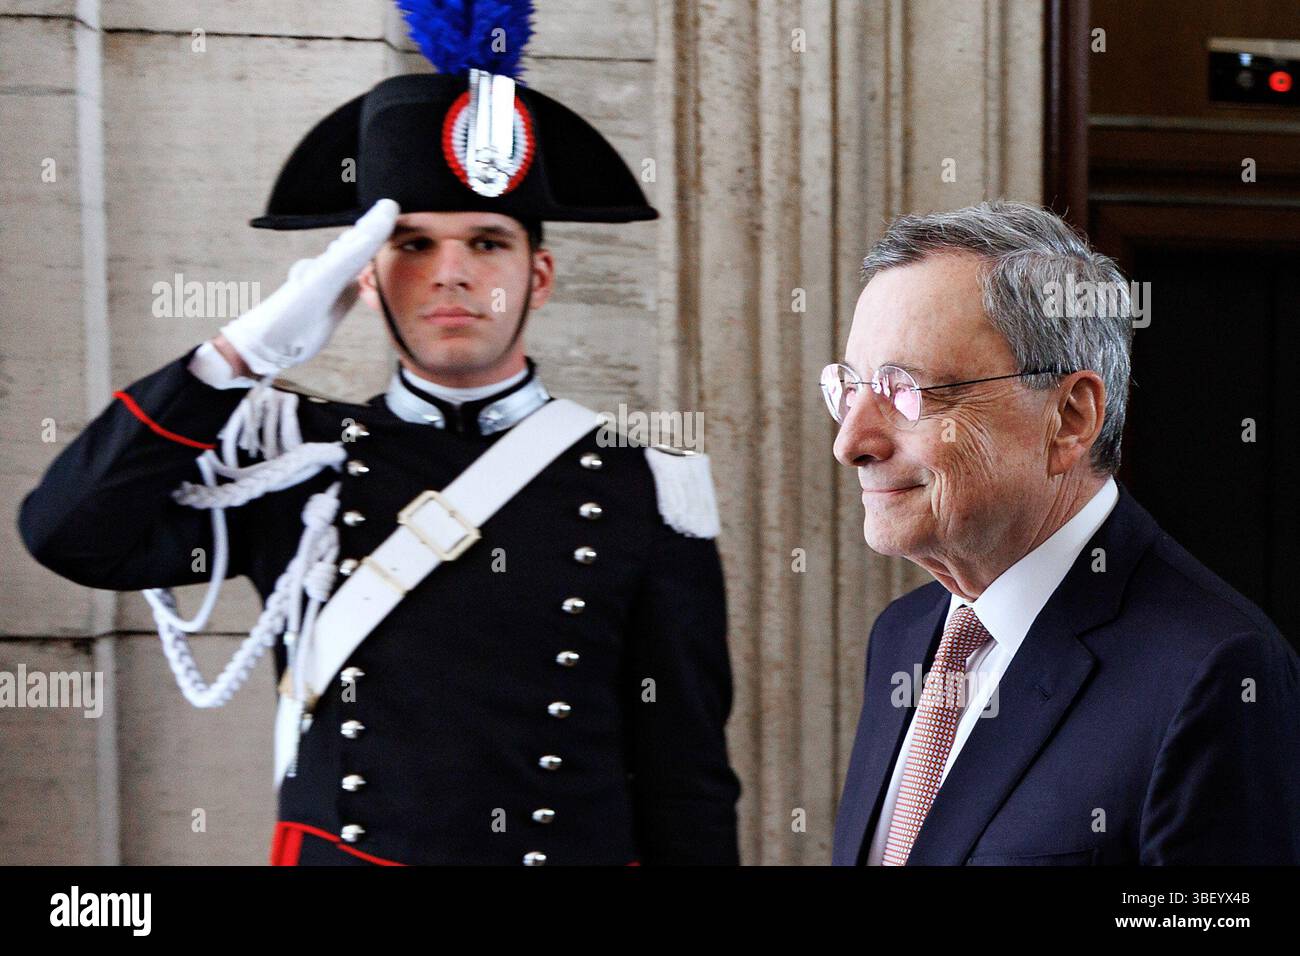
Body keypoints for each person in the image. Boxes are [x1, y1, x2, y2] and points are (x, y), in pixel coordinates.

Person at [18, 0, 741, 866]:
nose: (451, 275)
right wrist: (234, 359)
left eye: (485, 242)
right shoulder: (293, 459)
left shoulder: (643, 482)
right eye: (409, 245)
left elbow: (686, 773)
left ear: (538, 274)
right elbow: (69, 534)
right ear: (362, 277)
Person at [827, 200, 1300, 865]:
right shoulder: (902, 635)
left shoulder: (1214, 670)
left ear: (1071, 418)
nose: (852, 443)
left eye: (905, 392)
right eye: (848, 389)